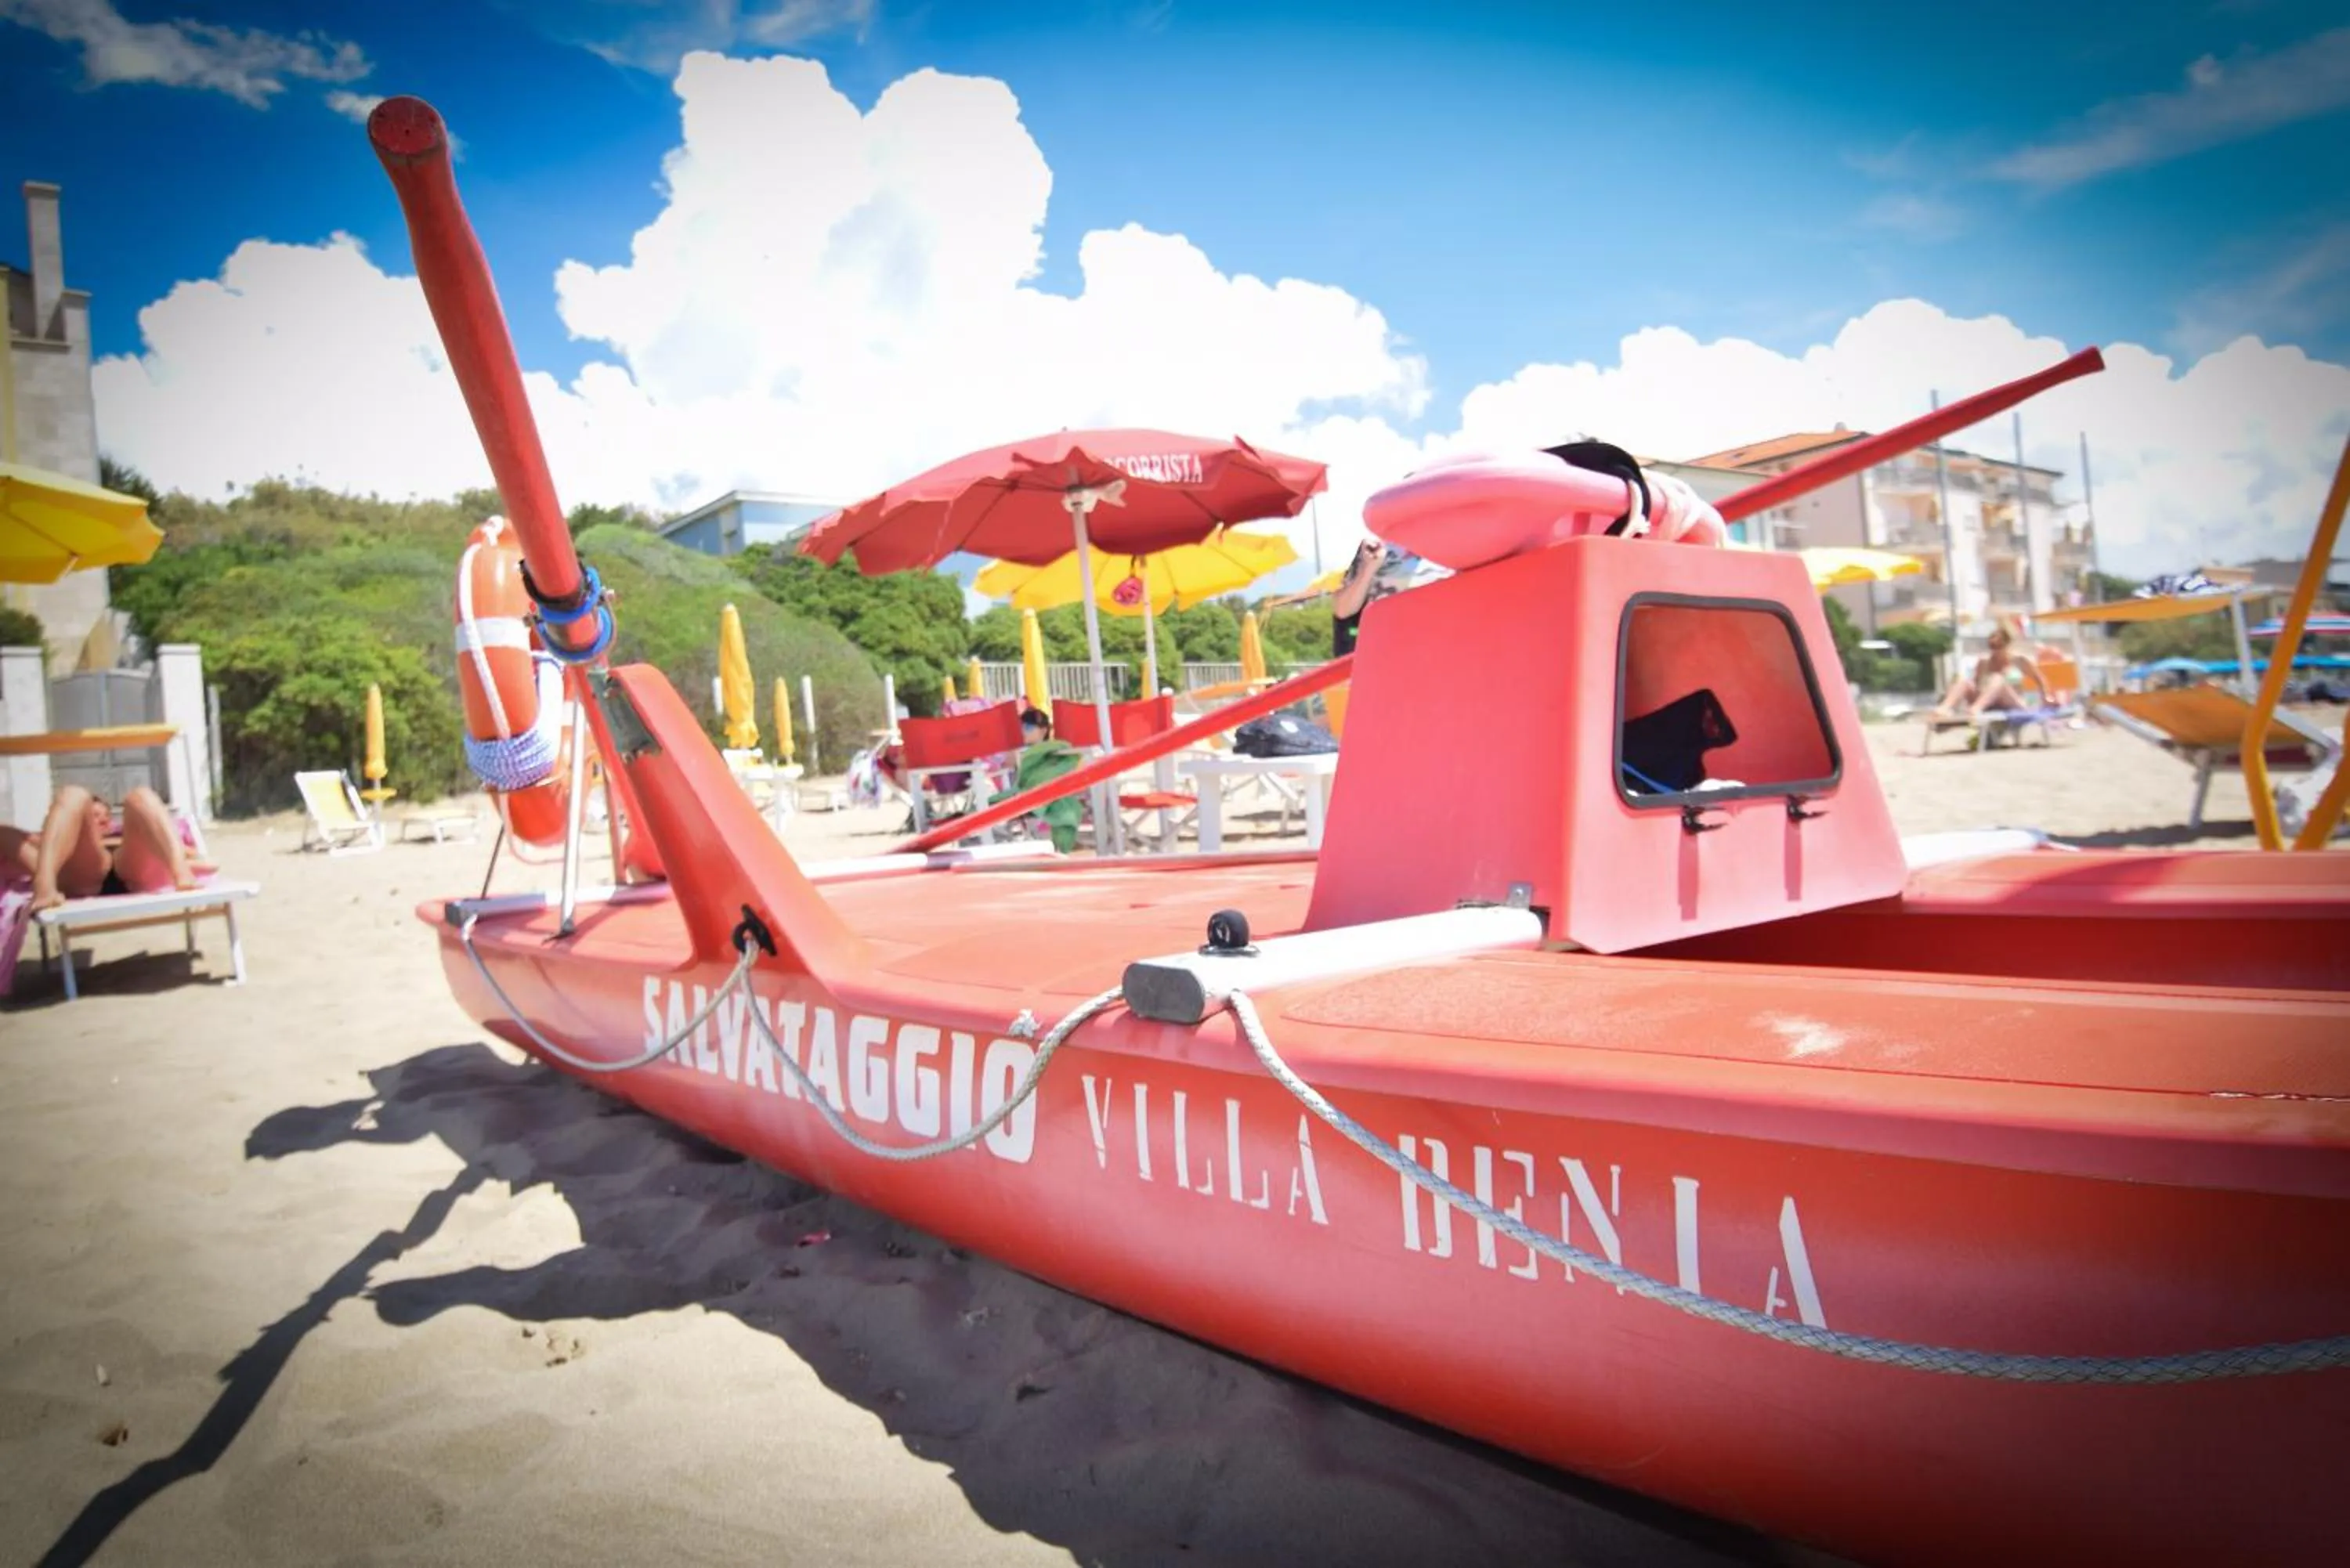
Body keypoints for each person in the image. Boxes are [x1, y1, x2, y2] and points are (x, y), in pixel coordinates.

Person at [1, 784, 208, 913]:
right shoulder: (55, 842)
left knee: (140, 795)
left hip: (128, 868)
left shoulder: (122, 837)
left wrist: (185, 858)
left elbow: (200, 857)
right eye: (94, 816)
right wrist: (44, 840)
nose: (101, 820)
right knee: (73, 793)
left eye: (105, 816)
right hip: (81, 873)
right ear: (80, 820)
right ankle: (44, 885)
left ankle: (181, 873)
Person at [1926, 623, 2046, 724]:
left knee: (1998, 679)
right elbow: (1976, 684)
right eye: (1992, 646)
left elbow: (2040, 680)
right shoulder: (1984, 662)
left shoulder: (2020, 660)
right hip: (1988, 701)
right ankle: (1944, 708)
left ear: (2008, 645)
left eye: (1999, 646)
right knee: (1964, 681)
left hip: (2012, 701)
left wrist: (2046, 698)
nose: (1995, 650)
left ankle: (1975, 710)